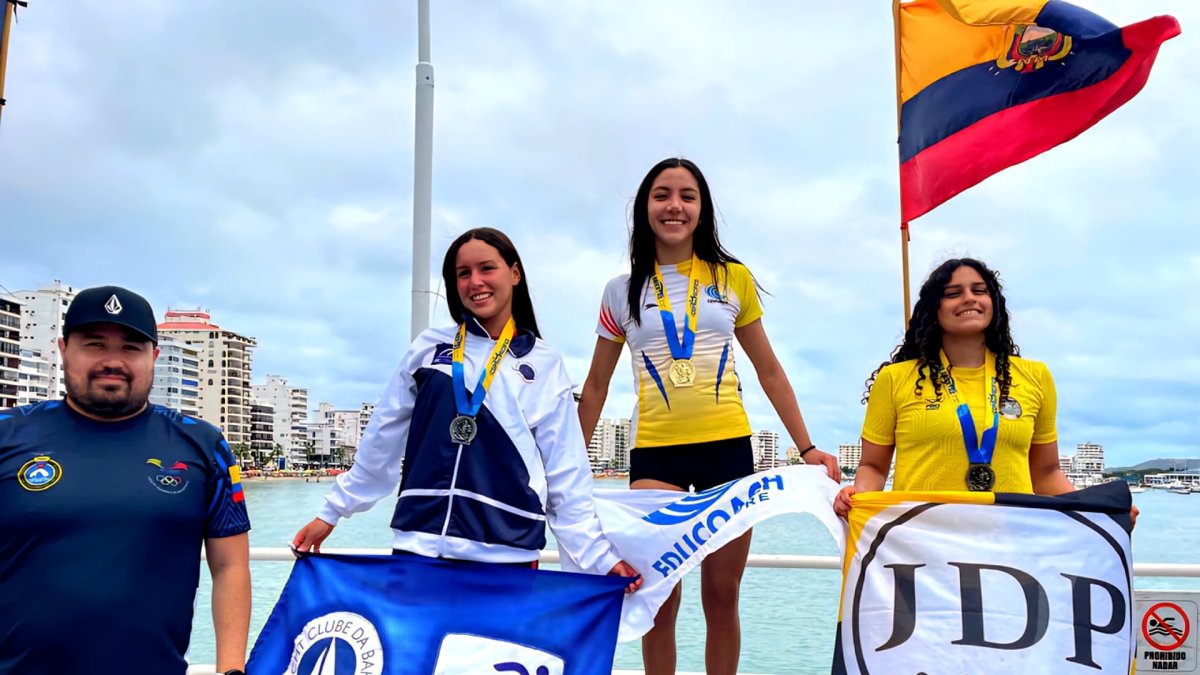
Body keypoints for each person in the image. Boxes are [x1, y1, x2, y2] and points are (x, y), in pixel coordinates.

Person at [578, 158, 841, 675]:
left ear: (702, 210)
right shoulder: (619, 290)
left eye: (687, 195)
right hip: (656, 454)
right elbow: (595, 387)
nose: (674, 205)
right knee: (660, 599)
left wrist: (807, 448)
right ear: (644, 208)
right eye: (662, 194)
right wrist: (564, 468)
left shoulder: (732, 279)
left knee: (722, 596)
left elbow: (769, 370)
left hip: (728, 451)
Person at [293, 228, 641, 592]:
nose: (475, 282)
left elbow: (566, 472)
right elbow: (381, 439)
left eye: (487, 268)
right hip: (419, 548)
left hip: (507, 555)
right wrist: (332, 513)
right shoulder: (429, 349)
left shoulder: (543, 363)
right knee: (416, 650)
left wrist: (600, 557)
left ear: (515, 274)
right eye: (463, 273)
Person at [0, 285, 251, 675]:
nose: (112, 361)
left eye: (131, 347)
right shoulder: (7, 434)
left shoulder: (203, 444)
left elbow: (230, 567)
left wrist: (231, 670)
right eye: (95, 344)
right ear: (64, 349)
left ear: (153, 355)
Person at [834, 258, 1113, 517]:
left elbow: (1047, 473)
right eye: (953, 293)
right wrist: (856, 498)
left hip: (1011, 541)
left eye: (979, 291)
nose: (969, 298)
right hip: (920, 540)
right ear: (934, 308)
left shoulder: (1035, 376)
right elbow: (874, 466)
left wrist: (1099, 515)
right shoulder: (895, 379)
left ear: (993, 303)